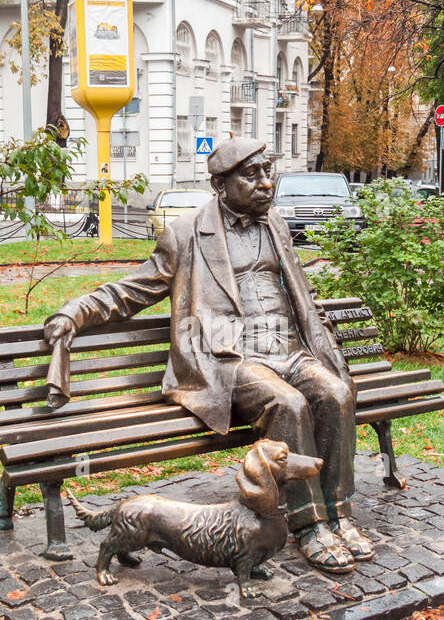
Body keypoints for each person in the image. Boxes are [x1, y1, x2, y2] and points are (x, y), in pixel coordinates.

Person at [43, 136, 373, 574]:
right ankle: (310, 526)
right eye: (251, 175)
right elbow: (130, 291)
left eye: (268, 172)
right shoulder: (185, 235)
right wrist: (74, 312)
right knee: (288, 404)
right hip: (232, 360)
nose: (265, 183)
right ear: (221, 183)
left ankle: (340, 513)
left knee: (335, 394)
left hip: (290, 351)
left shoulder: (274, 225)